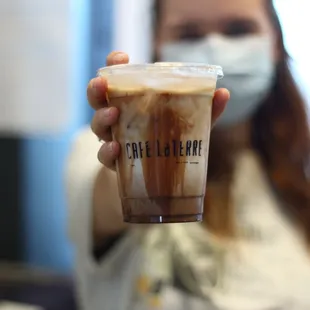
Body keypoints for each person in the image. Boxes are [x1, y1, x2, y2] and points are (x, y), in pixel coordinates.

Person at [66, 0, 310, 309]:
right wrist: (132, 162)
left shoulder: (300, 166)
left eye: (238, 30)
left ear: (276, 41)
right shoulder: (98, 150)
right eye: (188, 35)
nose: (214, 48)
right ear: (159, 47)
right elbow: (106, 203)